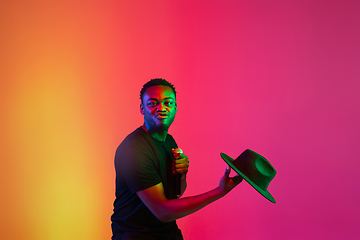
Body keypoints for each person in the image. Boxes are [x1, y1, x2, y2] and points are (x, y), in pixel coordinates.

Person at [111, 78, 243, 240]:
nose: (162, 108)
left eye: (168, 103)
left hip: (167, 232)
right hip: (135, 234)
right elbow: (163, 211)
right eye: (153, 103)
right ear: (142, 108)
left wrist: (181, 175)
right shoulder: (133, 150)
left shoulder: (169, 141)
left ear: (175, 108)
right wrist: (219, 191)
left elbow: (176, 193)